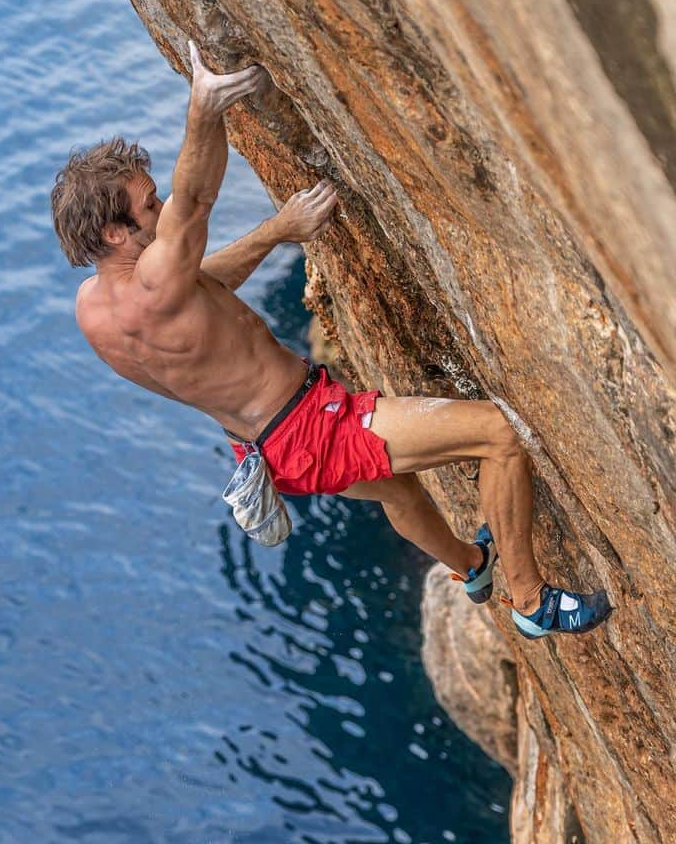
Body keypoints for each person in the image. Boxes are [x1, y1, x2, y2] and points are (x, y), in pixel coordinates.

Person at [51, 42, 611, 638]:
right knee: (498, 434)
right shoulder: (158, 283)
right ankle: (530, 602)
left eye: (156, 197)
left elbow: (200, 284)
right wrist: (204, 110)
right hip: (312, 431)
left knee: (399, 492)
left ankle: (471, 567)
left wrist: (276, 231)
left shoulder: (96, 310)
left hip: (265, 449)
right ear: (114, 233)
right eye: (148, 205)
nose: (161, 208)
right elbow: (196, 201)